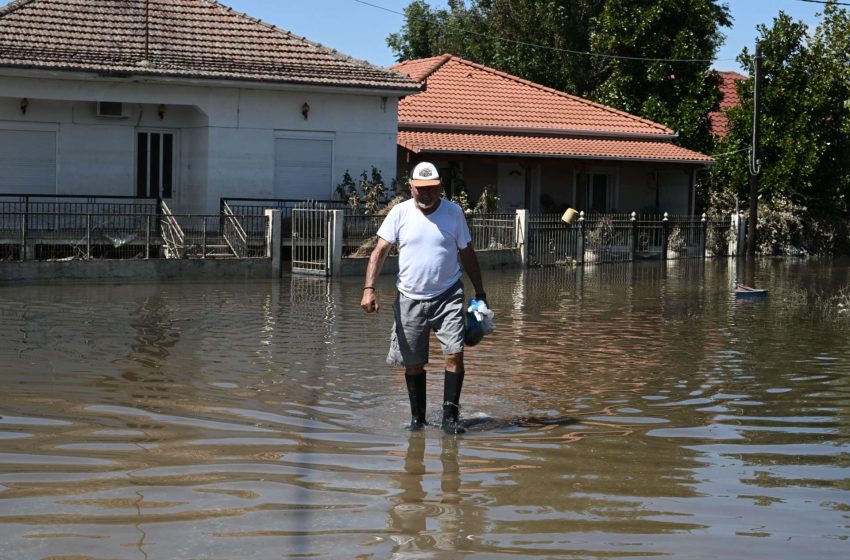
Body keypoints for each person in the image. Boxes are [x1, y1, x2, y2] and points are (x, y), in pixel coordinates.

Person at [360, 161, 487, 434]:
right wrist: (369, 289)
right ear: (411, 188)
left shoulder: (454, 214)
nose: (427, 195)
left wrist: (480, 293)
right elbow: (380, 251)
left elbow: (467, 253)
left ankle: (450, 418)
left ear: (440, 187)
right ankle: (418, 419)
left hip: (448, 295)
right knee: (413, 363)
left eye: (432, 189)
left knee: (455, 354)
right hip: (409, 298)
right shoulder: (399, 213)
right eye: (421, 189)